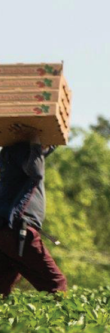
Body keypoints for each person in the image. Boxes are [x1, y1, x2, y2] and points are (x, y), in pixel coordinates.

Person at [0, 125, 67, 297]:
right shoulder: (24, 152)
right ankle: (63, 322)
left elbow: (31, 161)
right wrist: (36, 142)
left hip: (5, 231)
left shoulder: (8, 154)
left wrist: (45, 147)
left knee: (3, 285)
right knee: (56, 283)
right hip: (19, 230)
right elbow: (36, 171)